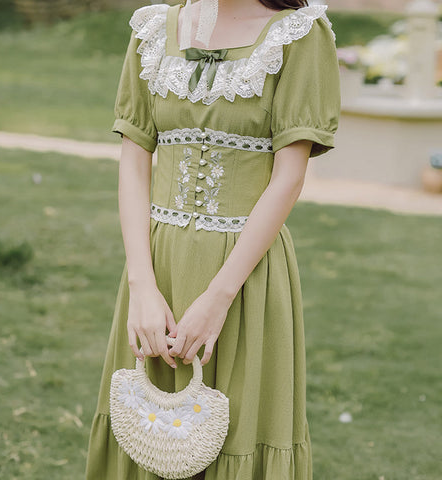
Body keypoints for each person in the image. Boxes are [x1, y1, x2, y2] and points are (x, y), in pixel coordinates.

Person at [85, 0, 340, 478]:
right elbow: (133, 160)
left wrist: (219, 298)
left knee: (239, 429)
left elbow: (288, 178)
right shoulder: (154, 28)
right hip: (156, 264)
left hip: (245, 274)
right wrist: (142, 285)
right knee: (146, 429)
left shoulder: (300, 34)